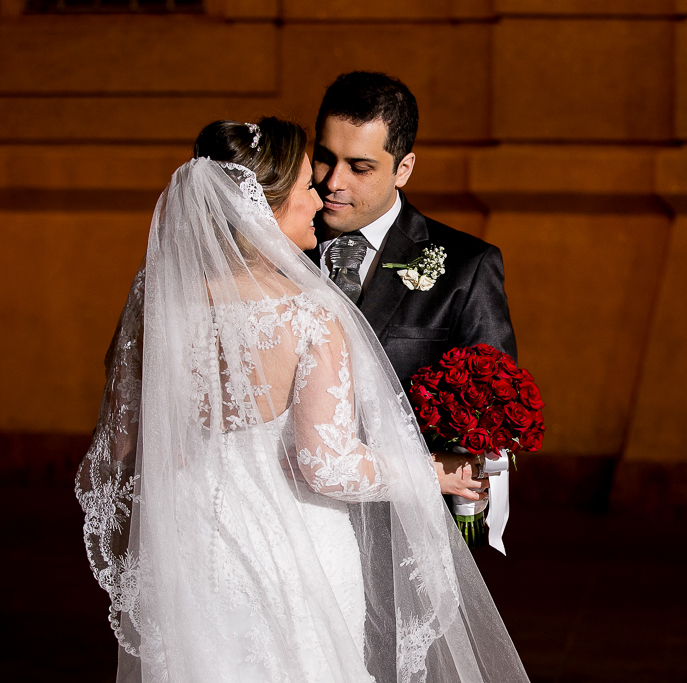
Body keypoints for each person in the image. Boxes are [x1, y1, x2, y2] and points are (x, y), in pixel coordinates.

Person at [75, 117, 529, 683]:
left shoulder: (157, 302)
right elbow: (327, 466)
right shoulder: (308, 315)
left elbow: (124, 445)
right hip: (295, 555)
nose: (319, 196)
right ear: (263, 208)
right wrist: (431, 472)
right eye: (304, 188)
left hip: (190, 543)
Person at [306, 72, 517, 503]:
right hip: (292, 518)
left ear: (403, 169)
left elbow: (490, 415)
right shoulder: (277, 246)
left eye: (359, 167)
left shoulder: (467, 267)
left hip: (402, 523)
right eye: (325, 158)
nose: (332, 182)